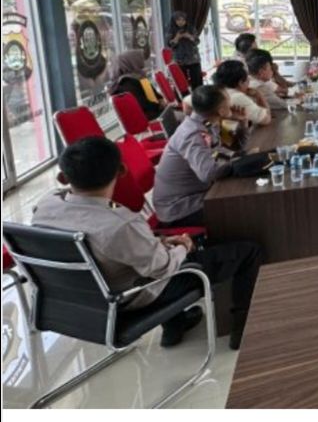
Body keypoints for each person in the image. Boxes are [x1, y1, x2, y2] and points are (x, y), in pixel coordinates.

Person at [32, 136, 262, 349]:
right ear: (122, 171)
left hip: (76, 300)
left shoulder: (45, 206)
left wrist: (159, 242)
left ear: (63, 177)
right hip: (127, 299)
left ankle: (175, 325)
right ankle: (243, 330)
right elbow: (163, 268)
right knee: (247, 252)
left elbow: (121, 248)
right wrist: (182, 245)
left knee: (150, 253)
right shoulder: (121, 224)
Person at [153, 85, 236, 229]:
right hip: (180, 209)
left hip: (196, 194)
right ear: (221, 110)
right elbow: (209, 173)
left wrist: (237, 121)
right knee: (241, 206)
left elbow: (229, 148)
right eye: (228, 99)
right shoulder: (192, 134)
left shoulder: (205, 121)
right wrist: (232, 159)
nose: (231, 101)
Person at [107, 49, 183, 135]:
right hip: (150, 116)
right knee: (183, 117)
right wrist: (159, 105)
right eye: (138, 59)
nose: (142, 62)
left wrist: (160, 99)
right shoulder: (126, 83)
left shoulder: (138, 76)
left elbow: (153, 93)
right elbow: (143, 104)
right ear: (132, 62)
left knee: (182, 116)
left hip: (156, 110)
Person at [213, 60, 271, 126]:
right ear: (240, 82)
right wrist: (259, 96)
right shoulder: (238, 97)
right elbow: (266, 119)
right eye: (247, 77)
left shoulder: (218, 92)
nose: (249, 80)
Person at [166, 11, 203, 87]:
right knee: (182, 83)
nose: (181, 22)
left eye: (183, 20)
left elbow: (197, 41)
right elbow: (170, 45)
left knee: (197, 81)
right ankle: (185, 94)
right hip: (179, 59)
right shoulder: (171, 30)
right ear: (174, 20)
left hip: (193, 58)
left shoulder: (191, 28)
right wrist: (177, 37)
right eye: (178, 20)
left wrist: (189, 36)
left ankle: (198, 93)